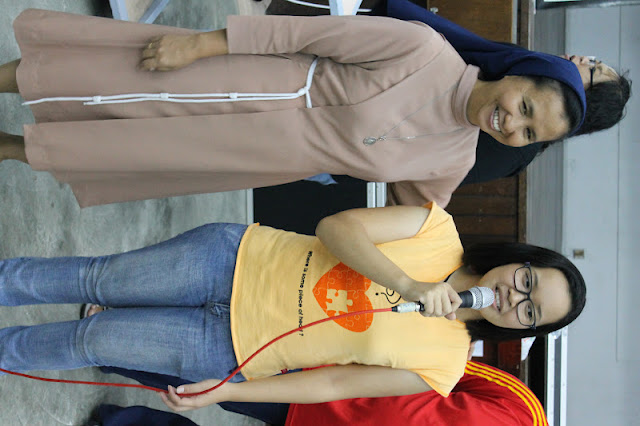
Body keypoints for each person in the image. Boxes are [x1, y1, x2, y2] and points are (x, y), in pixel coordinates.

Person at [0, 203, 586, 410]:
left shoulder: (444, 366)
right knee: (96, 278)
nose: (515, 297)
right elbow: (336, 227)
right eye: (527, 280)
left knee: (90, 342)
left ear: (521, 328)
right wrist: (407, 284)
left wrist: (224, 393)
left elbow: (331, 384)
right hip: (230, 259)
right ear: (520, 259)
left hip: (226, 348)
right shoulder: (437, 230)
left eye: (530, 311)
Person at [0, 9, 584, 208]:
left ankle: (6, 149)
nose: (513, 123)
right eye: (525, 105)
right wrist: (200, 46)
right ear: (518, 72)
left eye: (529, 133)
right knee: (104, 80)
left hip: (252, 156)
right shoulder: (424, 50)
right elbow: (306, 32)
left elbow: (415, 222)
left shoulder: (453, 161)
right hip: (250, 84)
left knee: (123, 153)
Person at [266, 0, 632, 185]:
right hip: (338, 137)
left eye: (593, 70)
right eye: (595, 60)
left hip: (336, 115)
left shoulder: (516, 87)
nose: (583, 59)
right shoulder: (522, 141)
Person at [93, 361, 548, 425]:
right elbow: (440, 362)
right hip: (317, 389)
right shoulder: (522, 408)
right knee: (211, 380)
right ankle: (114, 348)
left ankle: (118, 422)